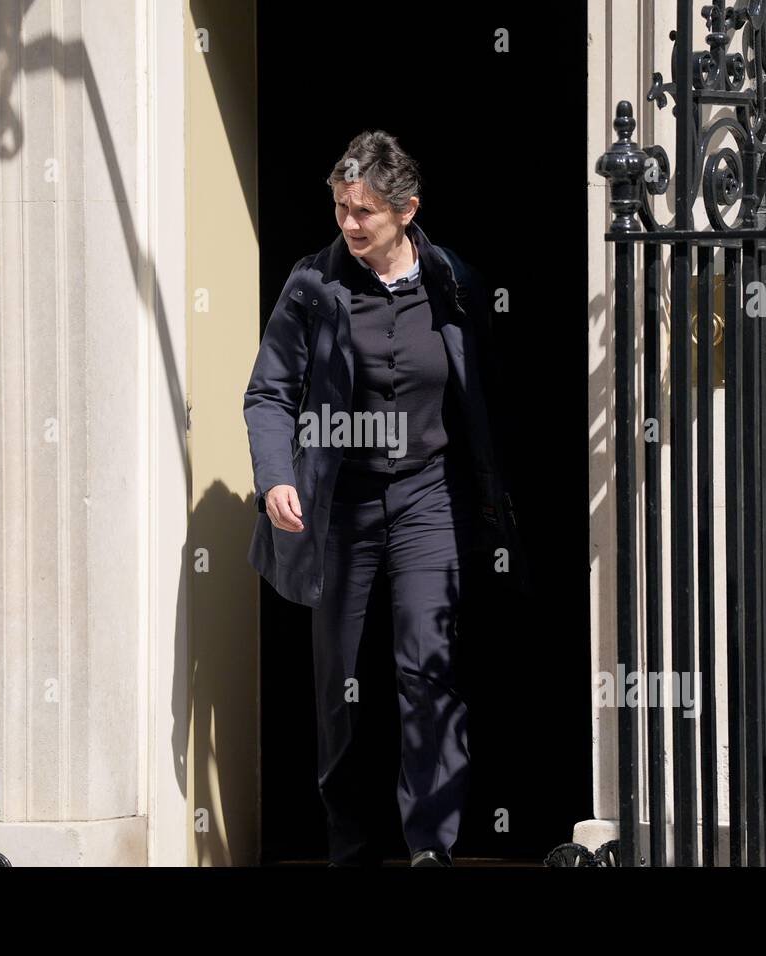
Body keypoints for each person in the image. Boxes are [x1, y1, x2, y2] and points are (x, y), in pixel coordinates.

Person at [243, 129, 526, 867]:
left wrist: (495, 495)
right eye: (341, 207)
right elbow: (269, 394)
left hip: (431, 497)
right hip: (343, 505)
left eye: (363, 210)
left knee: (426, 665)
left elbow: (488, 397)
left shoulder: (454, 281)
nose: (348, 223)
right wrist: (276, 475)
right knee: (341, 681)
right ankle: (350, 843)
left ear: (406, 210)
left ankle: (430, 845)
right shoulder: (313, 284)